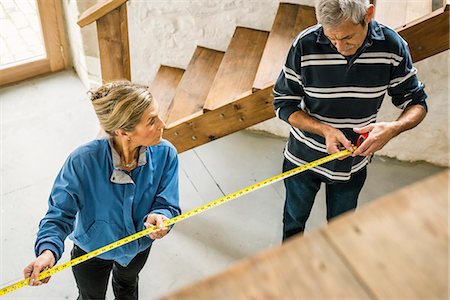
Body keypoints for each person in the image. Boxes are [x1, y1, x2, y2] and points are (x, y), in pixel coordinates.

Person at [274, 0, 427, 240]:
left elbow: (417, 102)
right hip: (303, 159)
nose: (339, 47)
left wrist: (394, 128)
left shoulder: (392, 46)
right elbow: (283, 103)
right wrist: (324, 130)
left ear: (369, 15)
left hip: (353, 166)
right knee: (293, 222)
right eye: (331, 38)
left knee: (341, 232)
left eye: (347, 38)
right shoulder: (304, 44)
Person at [23, 81, 181, 299]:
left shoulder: (166, 154)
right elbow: (59, 214)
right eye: (152, 121)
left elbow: (167, 203)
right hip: (91, 251)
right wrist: (48, 251)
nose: (163, 124)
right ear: (122, 131)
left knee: (127, 285)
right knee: (90, 296)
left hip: (137, 248)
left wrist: (162, 216)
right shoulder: (82, 162)